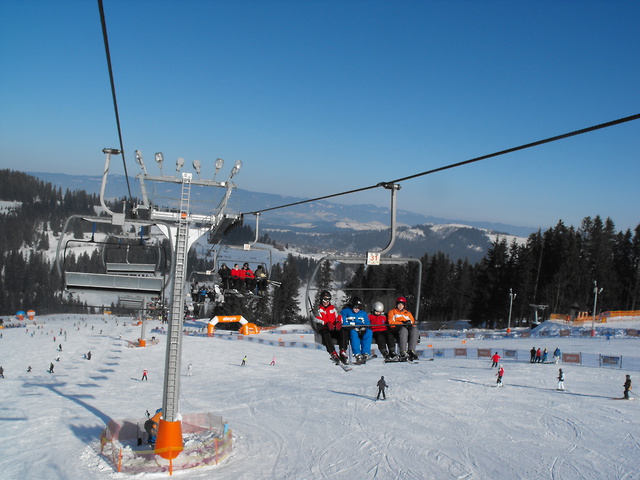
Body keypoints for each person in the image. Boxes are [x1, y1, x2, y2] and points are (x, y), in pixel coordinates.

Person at [313, 291, 348, 364]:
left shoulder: (333, 308)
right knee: (325, 334)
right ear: (321, 299)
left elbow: (339, 316)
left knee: (343, 331)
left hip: (333, 328)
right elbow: (316, 318)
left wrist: (338, 322)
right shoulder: (318, 309)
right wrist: (326, 323)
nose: (326, 302)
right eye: (324, 300)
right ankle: (333, 353)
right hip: (325, 328)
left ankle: (343, 351)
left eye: (328, 299)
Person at [341, 296, 372, 364]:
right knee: (354, 333)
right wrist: (352, 327)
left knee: (369, 332)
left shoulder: (363, 313)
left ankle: (365, 353)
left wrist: (364, 327)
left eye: (359, 307)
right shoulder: (346, 312)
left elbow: (367, 323)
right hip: (351, 329)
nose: (357, 309)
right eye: (355, 307)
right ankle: (357, 354)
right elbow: (344, 321)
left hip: (361, 329)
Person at [387, 297, 419, 361]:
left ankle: (411, 350)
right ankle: (402, 351)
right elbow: (391, 322)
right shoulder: (392, 312)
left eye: (402, 305)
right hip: (396, 328)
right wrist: (402, 323)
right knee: (403, 330)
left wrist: (409, 324)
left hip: (406, 328)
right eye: (399, 304)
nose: (400, 306)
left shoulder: (407, 313)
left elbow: (412, 322)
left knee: (414, 330)